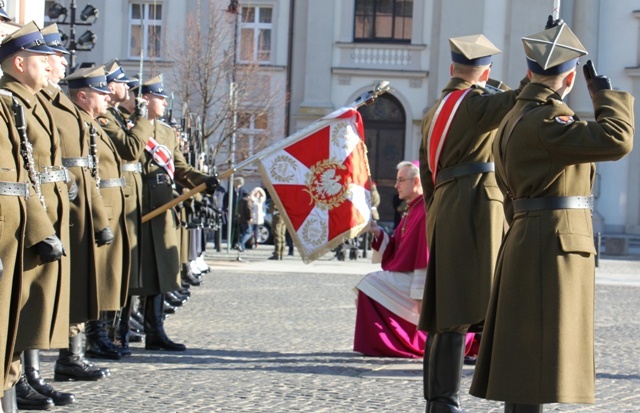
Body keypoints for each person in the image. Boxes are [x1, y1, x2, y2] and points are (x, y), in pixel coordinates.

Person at [469, 23, 634, 412]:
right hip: (551, 246)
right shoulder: (547, 122)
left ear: (529, 73)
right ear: (571, 77)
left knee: (528, 362)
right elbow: (618, 139)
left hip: (531, 236)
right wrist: (604, 94)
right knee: (534, 362)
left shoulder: (514, 116)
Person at [418, 33, 528, 412]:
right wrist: (544, 56)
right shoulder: (476, 104)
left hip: (446, 207)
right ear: (485, 72)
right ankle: (514, 396)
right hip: (478, 208)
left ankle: (440, 402)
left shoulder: (437, 109)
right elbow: (524, 96)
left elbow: (426, 175)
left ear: (452, 68)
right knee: (498, 305)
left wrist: (436, 215)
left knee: (446, 311)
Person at [38, 26, 113, 391]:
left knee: (79, 282)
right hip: (60, 206)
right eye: (56, 57)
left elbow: (86, 168)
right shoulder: (45, 105)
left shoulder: (62, 106)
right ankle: (38, 369)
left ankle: (71, 354)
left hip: (76, 205)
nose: (62, 62)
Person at [0, 21, 70, 412]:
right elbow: (14, 177)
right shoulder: (8, 103)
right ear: (20, 62)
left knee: (19, 319)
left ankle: (17, 388)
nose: (50, 65)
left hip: (29, 221)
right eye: (43, 58)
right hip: (14, 227)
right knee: (8, 321)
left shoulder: (33, 101)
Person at [129, 74, 218, 351]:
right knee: (134, 273)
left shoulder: (166, 133)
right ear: (145, 100)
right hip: (138, 207)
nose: (165, 102)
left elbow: (179, 169)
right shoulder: (133, 126)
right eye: (159, 97)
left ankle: (155, 331)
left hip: (164, 207)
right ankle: (117, 330)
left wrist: (204, 180)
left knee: (160, 272)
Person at [66, 65, 132, 363]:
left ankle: (93, 340)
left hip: (104, 206)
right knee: (88, 281)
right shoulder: (81, 123)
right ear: (82, 96)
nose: (107, 96)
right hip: (91, 209)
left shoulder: (94, 121)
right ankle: (76, 352)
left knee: (102, 279)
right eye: (100, 92)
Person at [97, 60, 154, 356]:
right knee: (109, 271)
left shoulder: (116, 117)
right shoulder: (106, 118)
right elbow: (131, 149)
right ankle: (103, 335)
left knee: (122, 271)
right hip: (111, 201)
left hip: (125, 199)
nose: (129, 90)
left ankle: (115, 331)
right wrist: (143, 121)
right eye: (123, 84)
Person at [353, 161, 428, 357]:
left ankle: (397, 343)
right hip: (406, 274)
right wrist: (376, 231)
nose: (396, 186)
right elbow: (396, 246)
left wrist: (420, 295)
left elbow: (424, 256)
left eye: (401, 180)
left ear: (417, 181)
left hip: (419, 280)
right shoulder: (412, 209)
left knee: (368, 284)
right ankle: (385, 343)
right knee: (368, 284)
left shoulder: (425, 211)